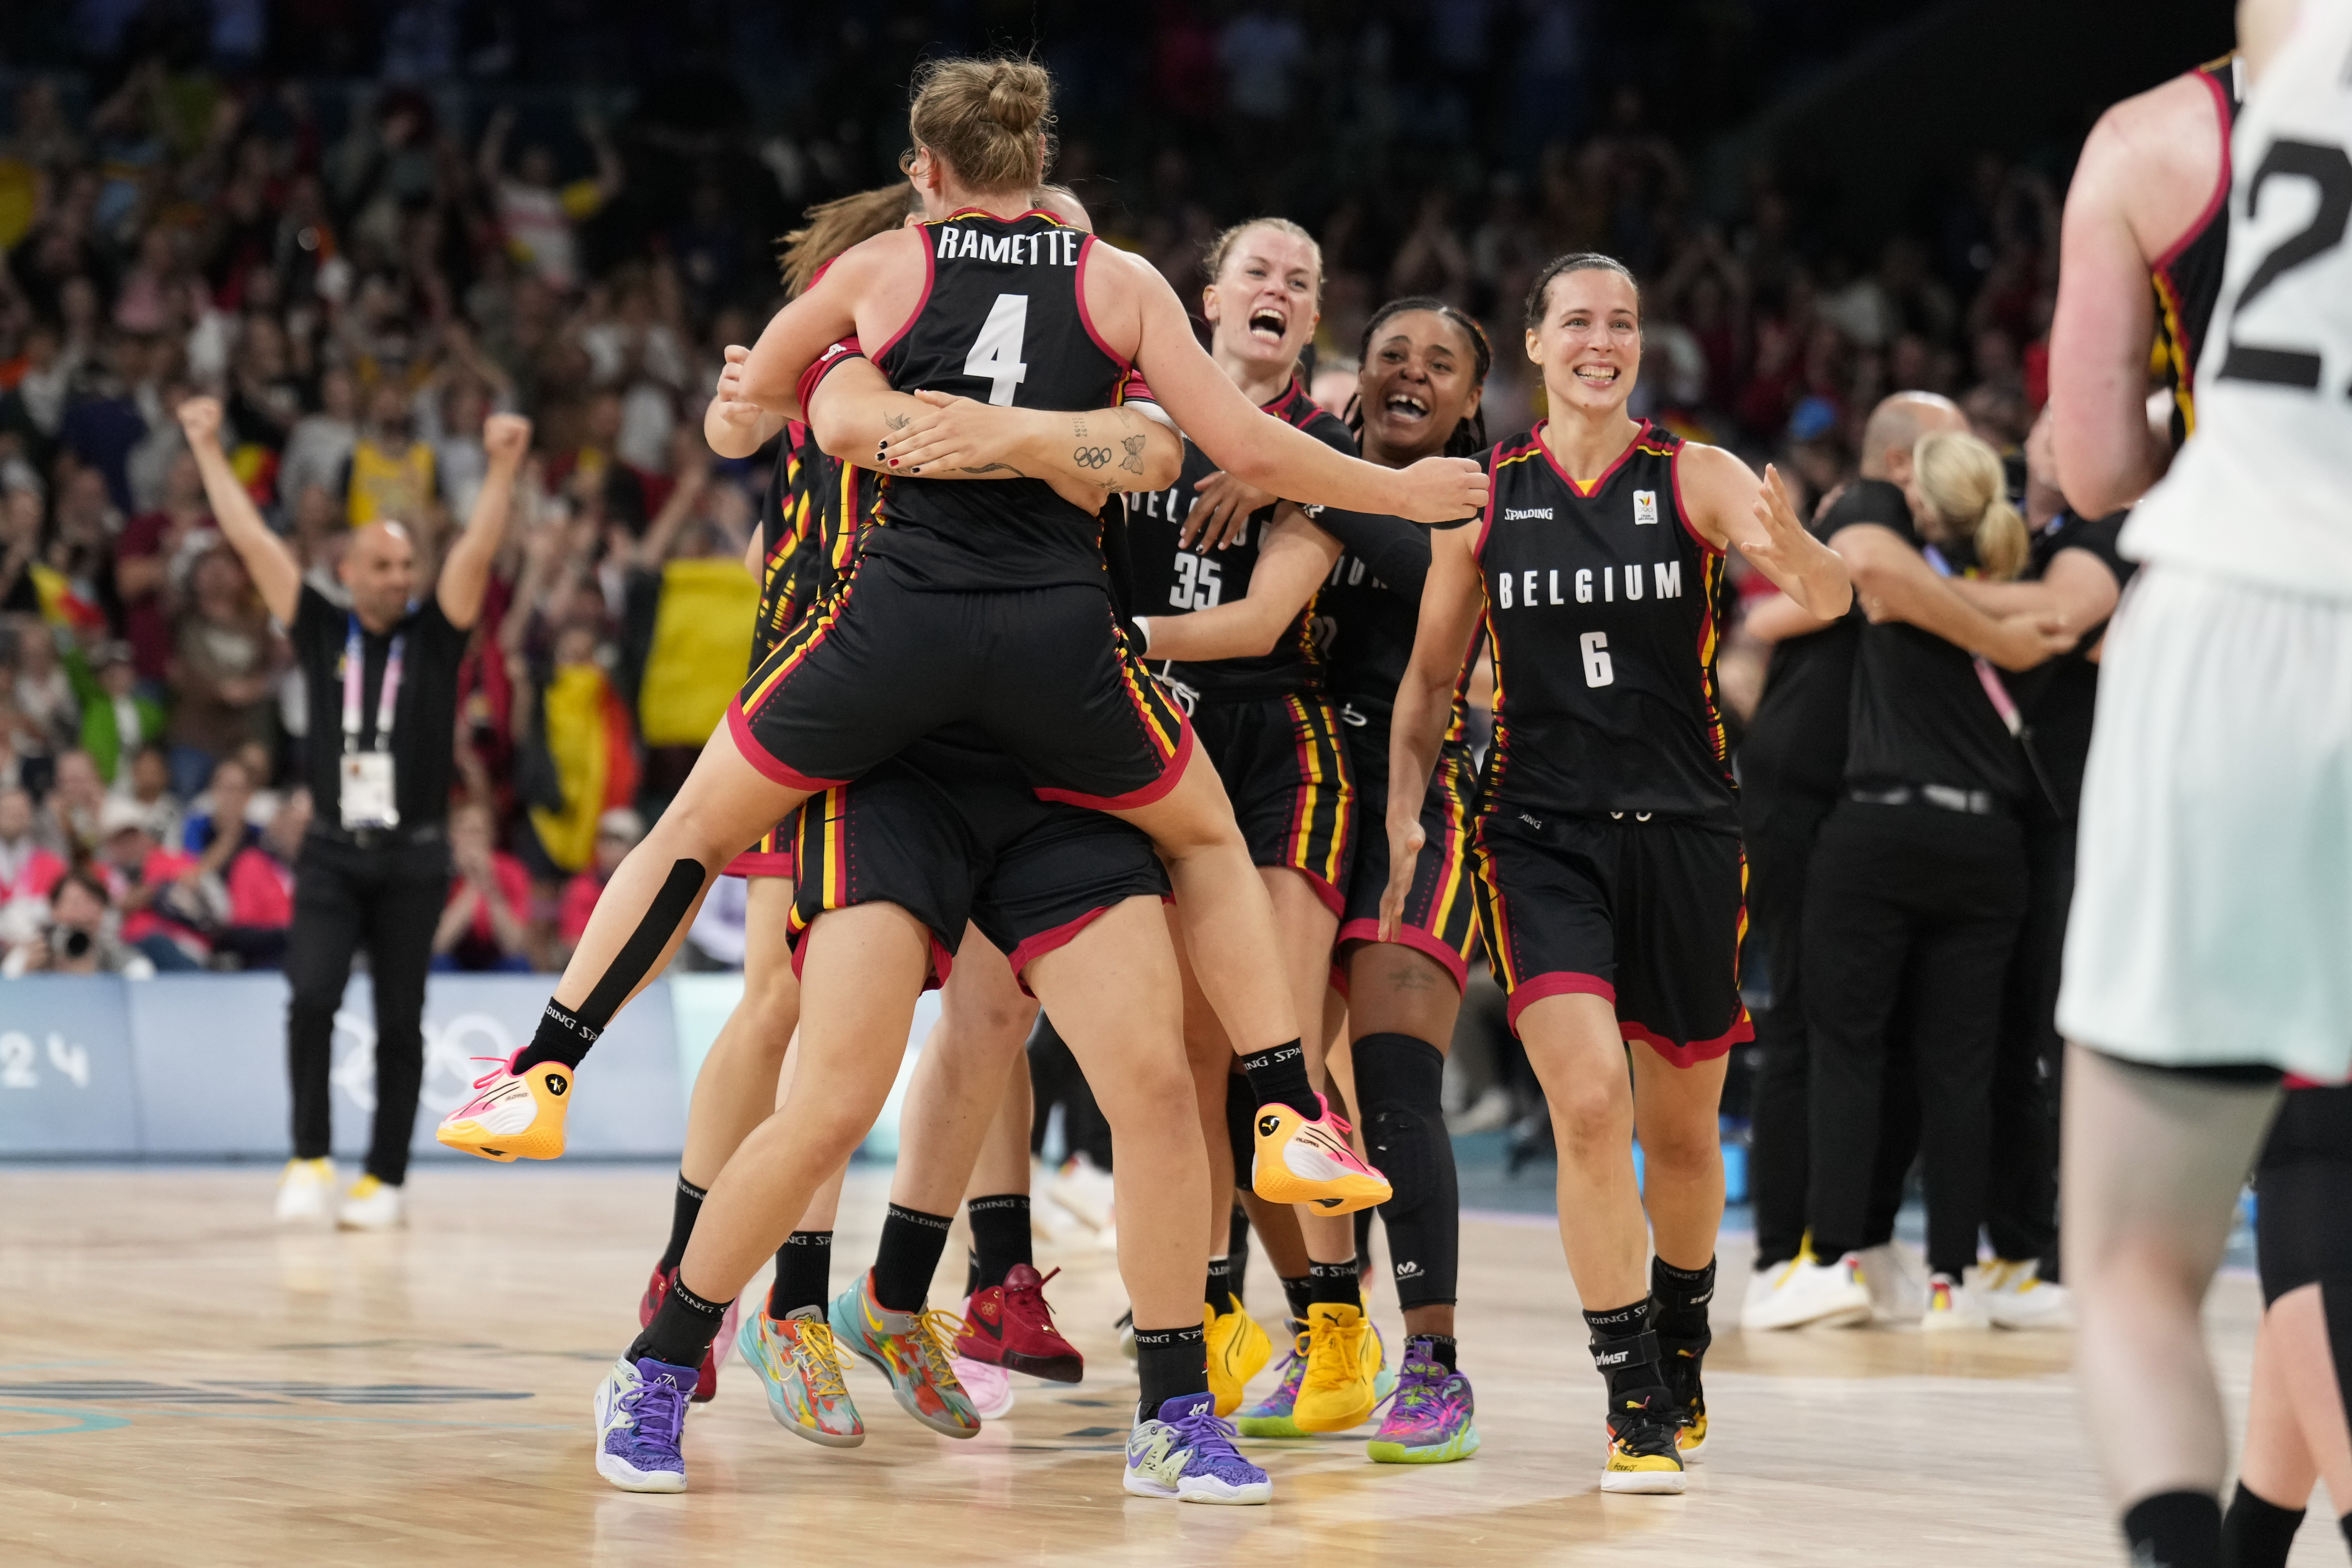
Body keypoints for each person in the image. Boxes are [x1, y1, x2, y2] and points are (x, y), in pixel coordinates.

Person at [437, 56, 1473, 1226]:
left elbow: (746, 412)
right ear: (1039, 163)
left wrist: (818, 396)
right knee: (1203, 839)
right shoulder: (1119, 279)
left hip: (897, 624)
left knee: (692, 829)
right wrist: (1400, 493)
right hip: (1056, 638)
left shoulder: (882, 267)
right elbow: (1244, 447)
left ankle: (544, 1065)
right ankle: (1287, 1107)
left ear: (925, 169)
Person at [1385, 252, 1851, 1494]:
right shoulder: (1487, 496)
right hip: (1537, 835)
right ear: (1535, 346)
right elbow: (1428, 685)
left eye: (1623, 323)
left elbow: (1828, 595)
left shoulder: (1691, 474)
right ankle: (1629, 1393)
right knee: (1589, 1105)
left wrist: (1799, 547)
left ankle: (1682, 1332)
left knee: (1681, 1137)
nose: (1603, 340)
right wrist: (1398, 813)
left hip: (1687, 832)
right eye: (1578, 321)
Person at [2050, 4, 2352, 1564]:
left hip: (2234, 624)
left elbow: (2093, 468)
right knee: (2327, 1175)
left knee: (2142, 1259)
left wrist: (2199, 413)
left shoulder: (2159, 138)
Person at [1229, 296, 1496, 1461]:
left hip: (1415, 809)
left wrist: (1287, 474)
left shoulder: (1475, 497)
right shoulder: (1308, 473)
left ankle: (1434, 1366)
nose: (1409, 372)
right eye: (1391, 353)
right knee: (1267, 1093)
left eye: (1439, 363)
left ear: (1470, 399)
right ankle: (1330, 1333)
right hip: (1293, 796)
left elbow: (1428, 568)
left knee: (1391, 1089)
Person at [1116, 215, 1371, 1424]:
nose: (1277, 289)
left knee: (1286, 1049)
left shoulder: (1323, 445)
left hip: (1279, 750)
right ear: (1206, 300)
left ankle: (1340, 1330)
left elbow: (1263, 621)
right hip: (1160, 743)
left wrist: (1115, 637)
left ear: (1310, 320)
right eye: (1257, 271)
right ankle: (1216, 1314)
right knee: (1194, 1059)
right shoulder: (1133, 418)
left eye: (1299, 281)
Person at [177, 393, 531, 1232]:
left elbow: (477, 549)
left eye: (406, 566)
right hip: (334, 853)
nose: (400, 578)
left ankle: (386, 1179)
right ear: (347, 572)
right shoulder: (318, 627)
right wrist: (206, 445)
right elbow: (253, 541)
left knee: (401, 1020)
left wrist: (503, 467)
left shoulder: (437, 635)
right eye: (384, 566)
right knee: (310, 999)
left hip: (415, 856)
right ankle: (309, 1157)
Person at [1736, 390, 1968, 1333]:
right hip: (1802, 791)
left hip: (1845, 794)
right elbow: (1805, 603)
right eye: (1953, 453)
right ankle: (1783, 1256)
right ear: (1905, 462)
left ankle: (1859, 1239)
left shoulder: (1878, 521)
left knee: (1863, 1027)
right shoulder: (1869, 510)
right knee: (1803, 1019)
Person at [432, 799, 535, 972]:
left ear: (492, 836)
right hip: (452, 959)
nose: (473, 841)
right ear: (452, 835)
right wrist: (472, 885)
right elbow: (439, 944)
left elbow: (514, 945)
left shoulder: (513, 872)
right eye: (466, 832)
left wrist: (488, 882)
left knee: (520, 966)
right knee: (433, 963)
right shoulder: (438, 873)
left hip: (497, 959)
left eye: (479, 832)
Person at [1, 869, 153, 979]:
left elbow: (141, 972)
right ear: (55, 910)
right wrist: (22, 969)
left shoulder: (109, 950)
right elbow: (7, 985)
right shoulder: (37, 948)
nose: (85, 913)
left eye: (94, 903)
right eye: (76, 903)